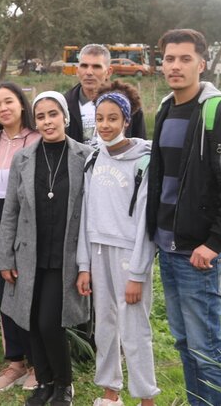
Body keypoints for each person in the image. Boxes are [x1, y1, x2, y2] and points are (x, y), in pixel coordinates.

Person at [147, 29, 221, 406]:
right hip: (168, 245)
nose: (175, 66)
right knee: (183, 341)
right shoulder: (165, 109)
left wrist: (214, 243)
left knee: (206, 347)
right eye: (169, 59)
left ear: (202, 63)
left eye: (184, 59)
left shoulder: (220, 113)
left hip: (197, 252)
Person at [0, 91, 92, 406]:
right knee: (30, 319)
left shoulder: (84, 156)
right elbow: (10, 211)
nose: (48, 121)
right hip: (29, 253)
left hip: (64, 256)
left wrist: (86, 264)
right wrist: (5, 258)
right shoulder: (23, 158)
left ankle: (64, 384)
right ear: (34, 121)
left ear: (65, 117)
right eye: (41, 116)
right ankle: (45, 382)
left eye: (53, 114)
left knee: (49, 321)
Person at [75, 81, 159, 406]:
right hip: (97, 251)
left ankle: (146, 397)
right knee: (105, 325)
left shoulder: (144, 161)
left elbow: (146, 225)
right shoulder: (93, 159)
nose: (105, 125)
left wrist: (138, 273)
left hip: (129, 255)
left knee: (135, 328)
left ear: (126, 120)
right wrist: (84, 266)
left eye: (112, 118)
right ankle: (110, 390)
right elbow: (85, 216)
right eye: (100, 118)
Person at [0, 82, 39, 392]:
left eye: (8, 101)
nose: (2, 108)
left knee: (31, 289)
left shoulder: (37, 137)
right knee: (7, 286)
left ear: (21, 104)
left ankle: (37, 362)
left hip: (30, 220)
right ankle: (15, 362)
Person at [65, 44, 146, 146]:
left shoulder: (128, 105)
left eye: (96, 67)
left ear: (108, 72)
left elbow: (140, 146)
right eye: (84, 66)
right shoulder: (64, 105)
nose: (89, 72)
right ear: (77, 71)